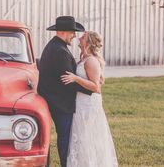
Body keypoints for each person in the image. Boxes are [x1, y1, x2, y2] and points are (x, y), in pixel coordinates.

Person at [37, 16, 93, 167]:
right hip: (60, 104)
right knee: (65, 138)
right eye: (72, 32)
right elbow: (67, 81)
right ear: (63, 32)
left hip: (55, 100)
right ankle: (65, 164)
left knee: (65, 137)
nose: (75, 35)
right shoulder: (60, 51)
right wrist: (92, 89)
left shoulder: (55, 46)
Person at [61, 31, 118, 167]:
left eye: (83, 37)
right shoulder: (84, 58)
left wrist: (75, 78)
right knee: (81, 137)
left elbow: (95, 87)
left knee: (89, 137)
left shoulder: (91, 61)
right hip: (81, 103)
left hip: (89, 105)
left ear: (88, 42)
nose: (79, 37)